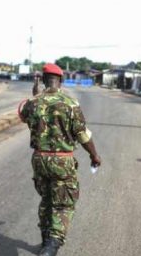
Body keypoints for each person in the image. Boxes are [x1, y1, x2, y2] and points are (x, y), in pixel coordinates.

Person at [19, 63, 101, 256]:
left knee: (47, 199)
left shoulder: (33, 102)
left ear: (44, 80)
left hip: (39, 160)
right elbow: (82, 134)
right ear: (61, 81)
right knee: (63, 204)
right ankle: (51, 246)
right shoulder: (70, 103)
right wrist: (94, 155)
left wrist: (35, 94)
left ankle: (45, 240)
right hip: (61, 161)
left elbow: (24, 116)